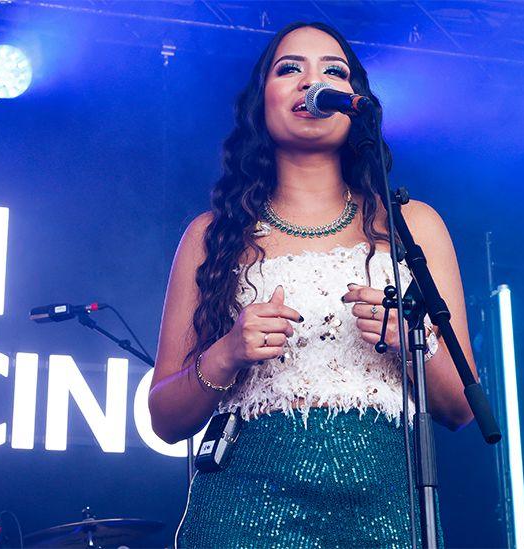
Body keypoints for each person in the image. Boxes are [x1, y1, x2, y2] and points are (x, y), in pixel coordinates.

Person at [149, 21, 476, 548]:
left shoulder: (414, 226)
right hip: (243, 517)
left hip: (384, 516)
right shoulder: (211, 235)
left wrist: (412, 340)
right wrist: (229, 351)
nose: (310, 82)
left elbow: (461, 408)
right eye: (289, 69)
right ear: (262, 101)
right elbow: (164, 417)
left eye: (332, 72)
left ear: (354, 103)